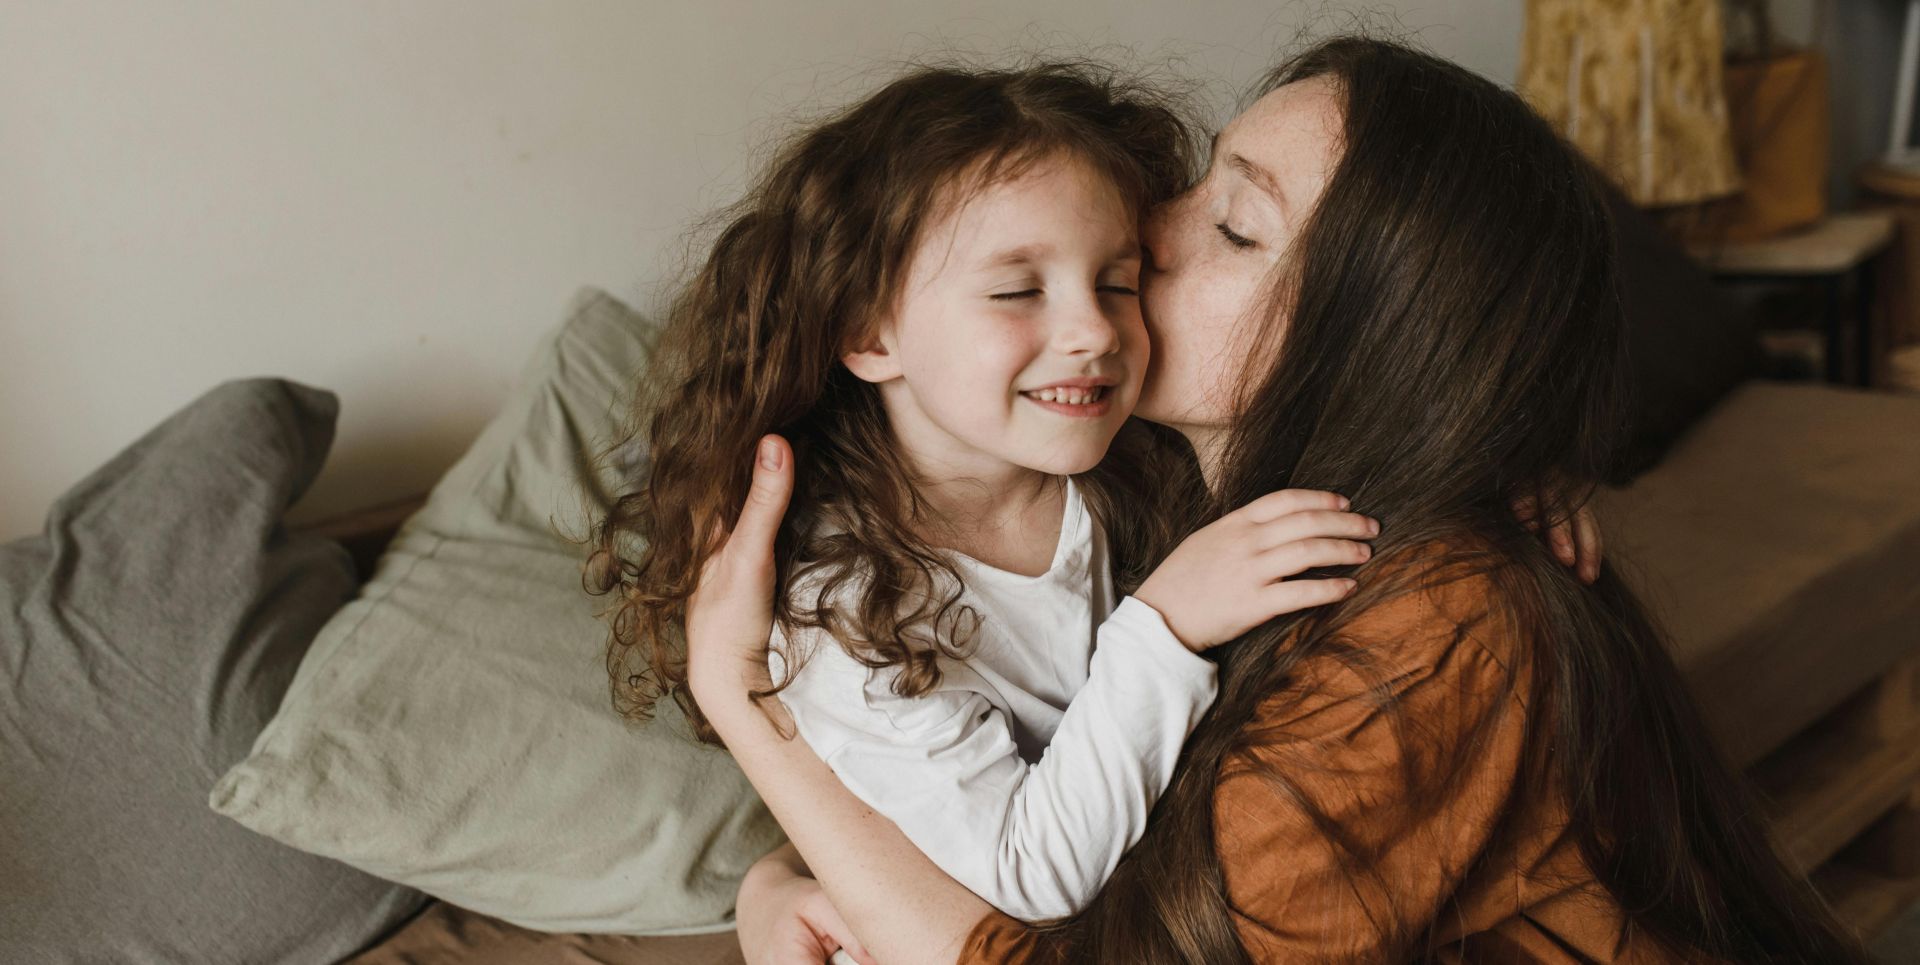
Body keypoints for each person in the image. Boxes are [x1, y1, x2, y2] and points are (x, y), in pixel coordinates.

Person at [680, 37, 1872, 964]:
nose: (1144, 234)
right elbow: (1000, 758)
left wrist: (748, 710)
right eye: (1198, 185)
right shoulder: (1166, 492)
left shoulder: (1434, 625)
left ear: (1379, 346)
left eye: (1235, 225)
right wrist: (783, 870)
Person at [584, 63, 1385, 937]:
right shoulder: (840, 601)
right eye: (1017, 291)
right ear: (867, 331)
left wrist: (1528, 478)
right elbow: (1028, 874)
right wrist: (1164, 627)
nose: (1095, 331)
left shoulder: (1129, 459)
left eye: (1118, 280)